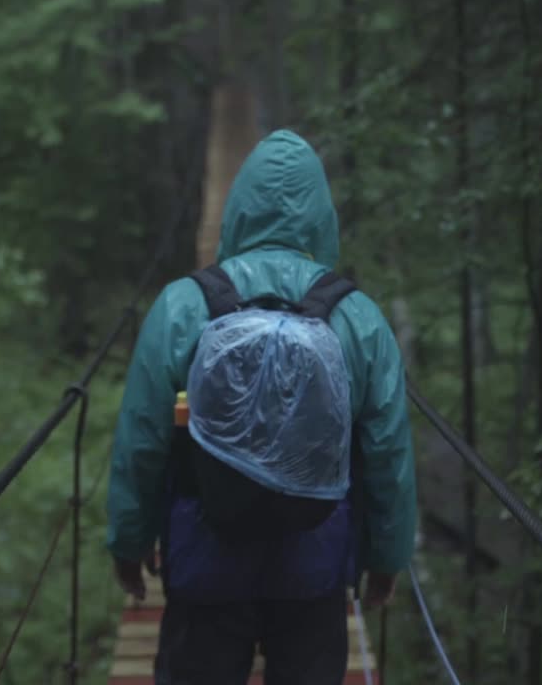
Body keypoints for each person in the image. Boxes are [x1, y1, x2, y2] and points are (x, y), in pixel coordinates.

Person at [106, 129, 417, 685]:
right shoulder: (359, 318)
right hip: (314, 564)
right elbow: (387, 451)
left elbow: (143, 439)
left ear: (237, 212)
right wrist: (386, 556)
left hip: (205, 561)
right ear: (323, 218)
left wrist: (129, 543)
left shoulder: (184, 305)